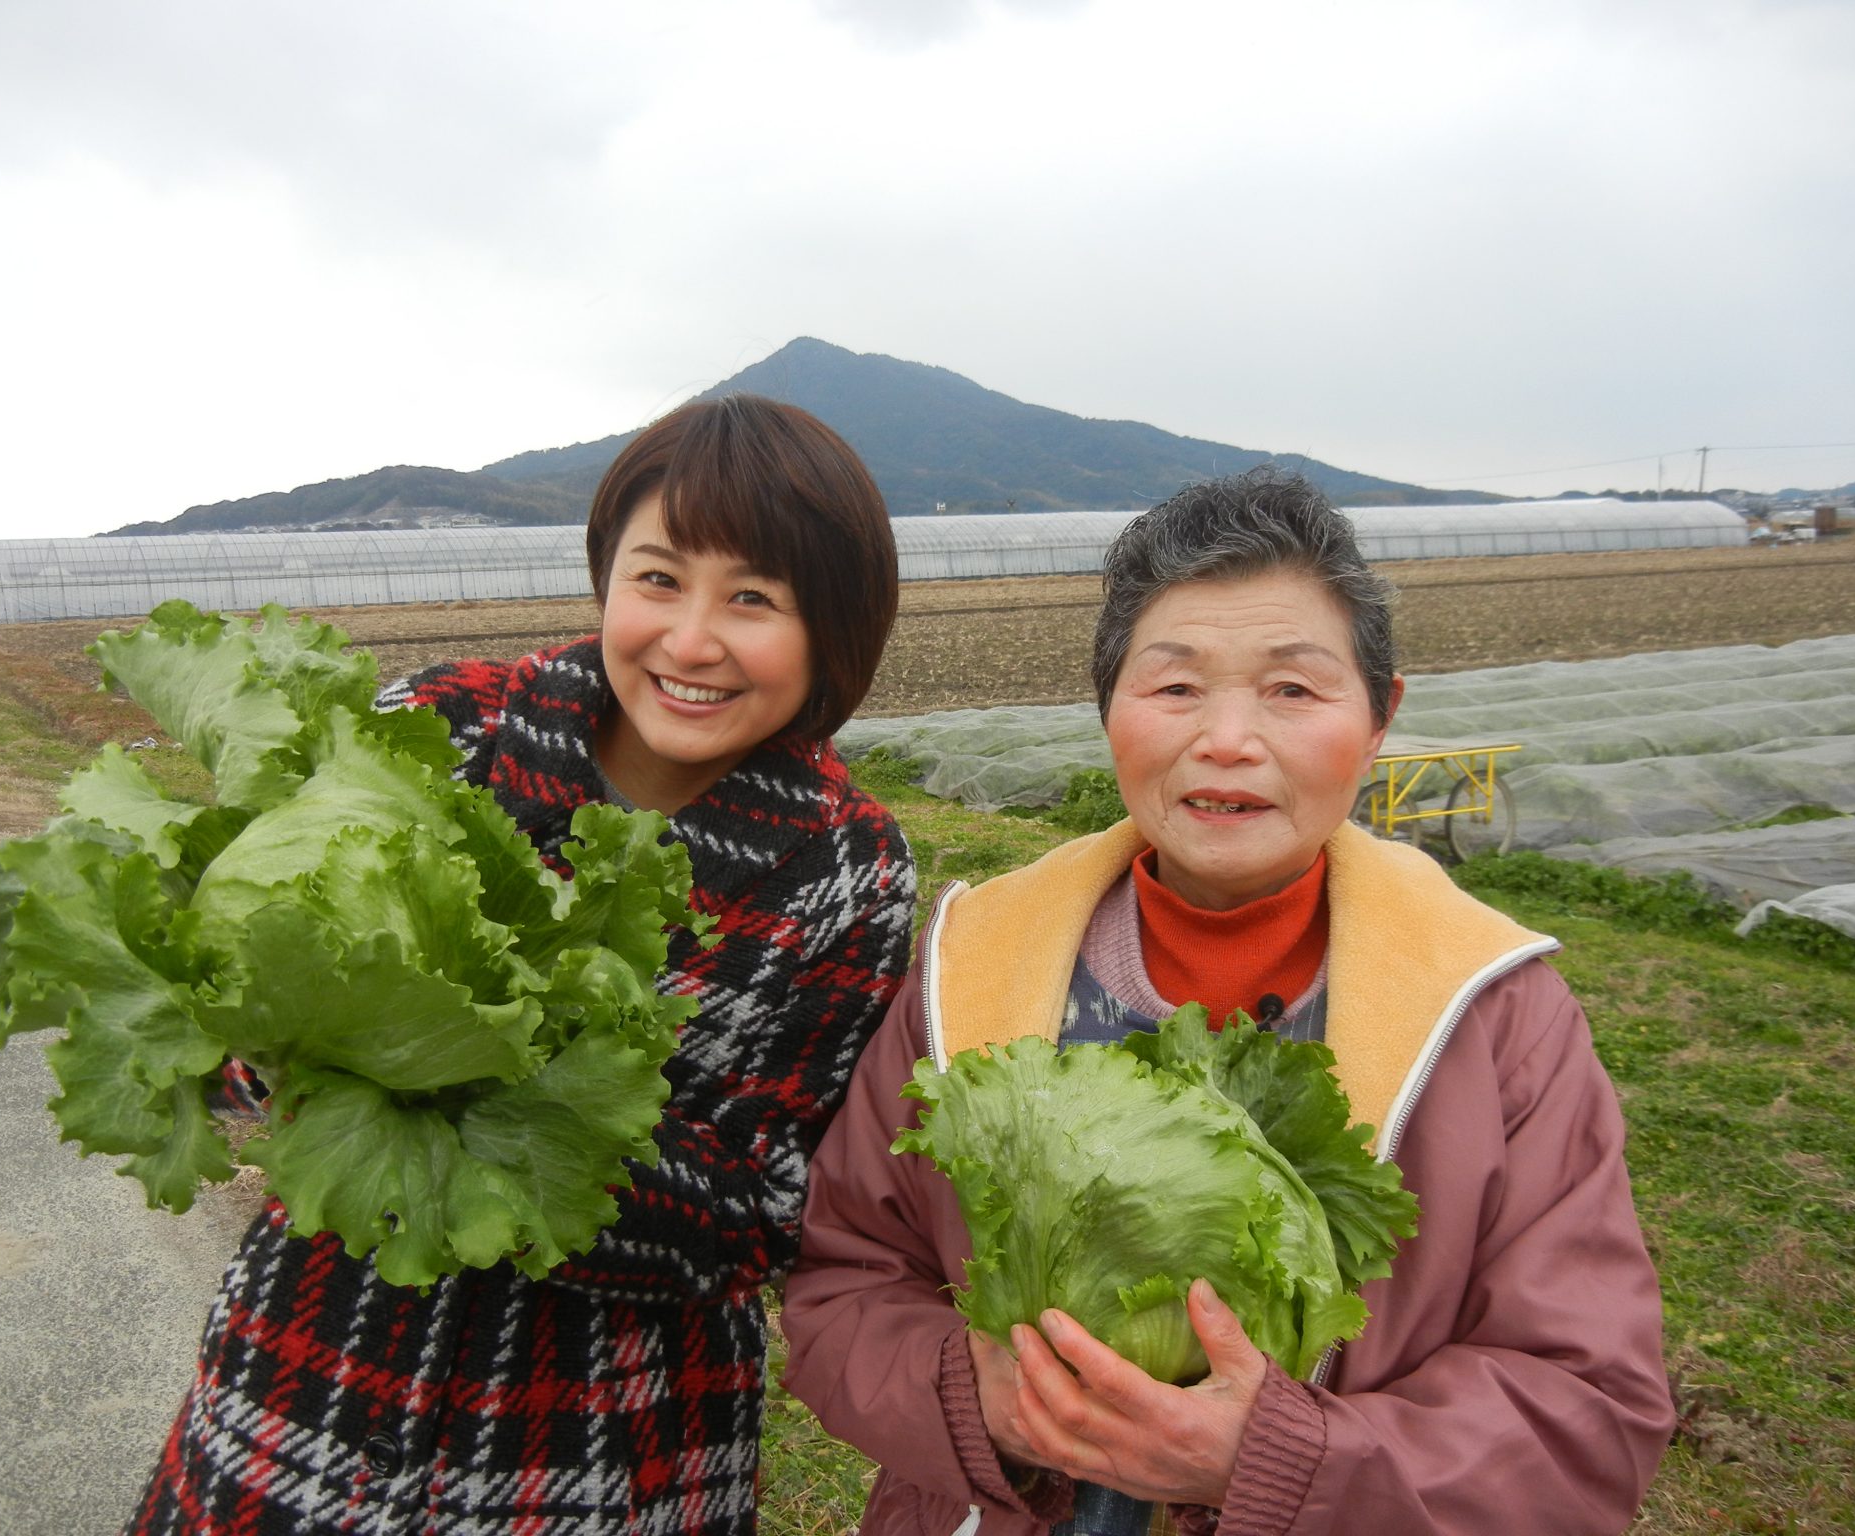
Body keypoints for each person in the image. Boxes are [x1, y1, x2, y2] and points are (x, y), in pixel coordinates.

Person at [780, 469, 1675, 1535]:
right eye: (1174, 688)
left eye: (1292, 691)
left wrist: (1278, 1461)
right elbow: (842, 1285)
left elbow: (1587, 1411)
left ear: (1379, 717)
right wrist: (978, 1399)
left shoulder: (1496, 1020)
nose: (1227, 740)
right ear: (1107, 707)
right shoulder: (969, 964)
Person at [130, 395, 916, 1535]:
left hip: (607, 1436)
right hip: (316, 1363)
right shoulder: (440, 730)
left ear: (834, 627)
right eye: (656, 579)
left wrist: (467, 1076)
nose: (690, 640)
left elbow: (759, 1208)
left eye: (753, 598)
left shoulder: (847, 867)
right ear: (606, 579)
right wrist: (297, 1036)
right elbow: (242, 1023)